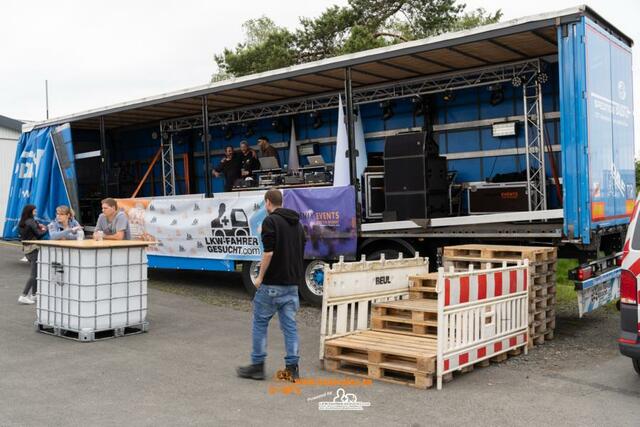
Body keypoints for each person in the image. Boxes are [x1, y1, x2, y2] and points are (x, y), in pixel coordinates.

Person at [237, 188, 306, 381]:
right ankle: (292, 369)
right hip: (292, 285)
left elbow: (269, 252)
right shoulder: (298, 225)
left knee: (260, 324)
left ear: (268, 202)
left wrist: (259, 278)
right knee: (290, 328)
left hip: (272, 285)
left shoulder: (270, 221)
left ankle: (257, 366)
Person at [18, 204, 47, 304]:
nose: (36, 212)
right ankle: (24, 295)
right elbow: (39, 234)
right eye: (35, 211)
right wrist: (45, 229)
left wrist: (38, 226)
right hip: (33, 248)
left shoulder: (22, 222)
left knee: (36, 273)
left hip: (26, 250)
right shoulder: (31, 221)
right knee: (34, 274)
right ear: (30, 212)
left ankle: (34, 295)